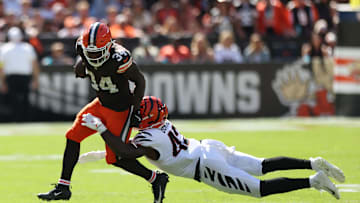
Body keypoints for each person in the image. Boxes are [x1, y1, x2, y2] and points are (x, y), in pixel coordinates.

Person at [79, 96, 345, 201]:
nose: (135, 118)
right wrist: (103, 154)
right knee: (263, 165)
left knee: (260, 189)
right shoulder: (163, 125)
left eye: (139, 115)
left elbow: (130, 153)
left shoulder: (149, 136)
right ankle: (312, 162)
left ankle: (313, 180)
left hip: (205, 166)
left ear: (147, 119)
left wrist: (102, 129)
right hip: (209, 147)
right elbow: (141, 152)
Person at [37, 22, 169, 203]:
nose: (93, 56)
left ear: (108, 47)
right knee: (72, 136)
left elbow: (139, 81)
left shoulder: (119, 57)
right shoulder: (82, 48)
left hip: (120, 109)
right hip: (100, 103)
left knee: (116, 158)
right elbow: (85, 59)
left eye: (96, 53)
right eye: (89, 53)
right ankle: (63, 187)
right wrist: (82, 63)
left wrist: (136, 110)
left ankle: (156, 179)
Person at [0, 26, 40, 122]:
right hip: (24, 77)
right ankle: (24, 120)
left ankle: (17, 120)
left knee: (14, 100)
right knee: (24, 99)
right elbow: (35, 65)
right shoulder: (28, 47)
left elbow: (1, 67)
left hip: (12, 78)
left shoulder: (4, 48)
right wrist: (35, 79)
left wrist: (2, 82)